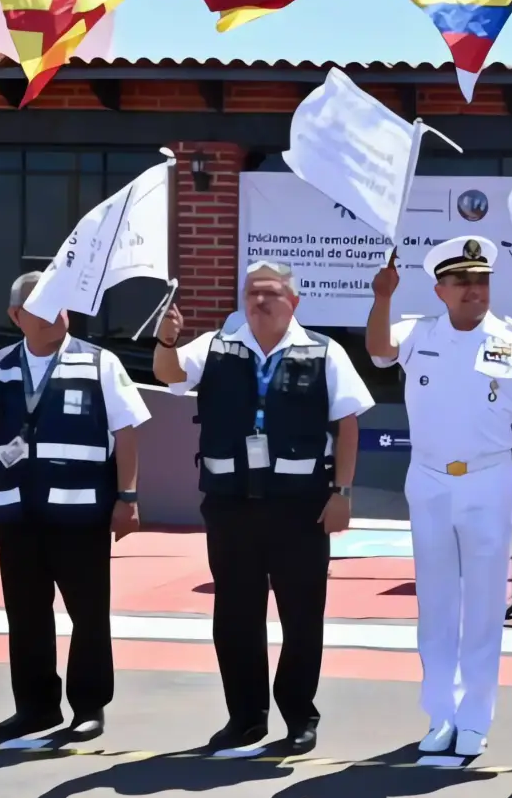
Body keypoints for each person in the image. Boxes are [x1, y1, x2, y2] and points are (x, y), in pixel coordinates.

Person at [154, 260, 373, 754]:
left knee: (301, 616)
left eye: (271, 292)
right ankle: (246, 718)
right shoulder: (215, 346)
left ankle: (299, 716)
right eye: (252, 292)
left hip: (301, 508)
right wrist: (166, 341)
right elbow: (170, 374)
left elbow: (348, 424)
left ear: (293, 302)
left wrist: (342, 493)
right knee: (235, 616)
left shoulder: (324, 352)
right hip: (231, 506)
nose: (259, 300)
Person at [0, 272, 149, 740]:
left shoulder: (99, 363)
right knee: (26, 614)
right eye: (40, 307)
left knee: (89, 613)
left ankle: (88, 706)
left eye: (59, 304)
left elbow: (126, 432)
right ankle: (35, 707)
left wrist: (127, 497)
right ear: (15, 316)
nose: (54, 315)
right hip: (18, 513)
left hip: (82, 513)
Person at [368, 238, 512, 758]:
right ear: (440, 290)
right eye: (463, 281)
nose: (475, 290)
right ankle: (440, 714)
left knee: (486, 603)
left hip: (489, 479)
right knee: (436, 602)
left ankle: (474, 715)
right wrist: (382, 297)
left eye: (482, 280)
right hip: (429, 479)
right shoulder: (417, 333)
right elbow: (379, 350)